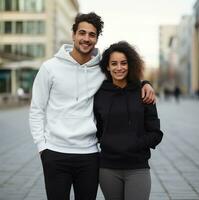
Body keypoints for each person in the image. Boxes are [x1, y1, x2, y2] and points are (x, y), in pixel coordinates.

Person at [29, 13, 156, 200]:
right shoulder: (49, 68)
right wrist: (42, 147)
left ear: (96, 39)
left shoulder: (102, 70)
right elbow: (36, 110)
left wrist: (145, 83)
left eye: (92, 35)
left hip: (89, 155)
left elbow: (123, 75)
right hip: (55, 153)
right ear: (73, 35)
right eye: (82, 33)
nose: (86, 38)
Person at [94, 41, 163, 200]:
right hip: (108, 168)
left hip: (137, 167)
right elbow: (97, 129)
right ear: (107, 67)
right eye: (114, 63)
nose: (119, 67)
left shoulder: (144, 92)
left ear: (130, 65)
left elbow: (156, 133)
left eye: (124, 63)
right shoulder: (99, 94)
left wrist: (134, 144)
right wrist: (108, 142)